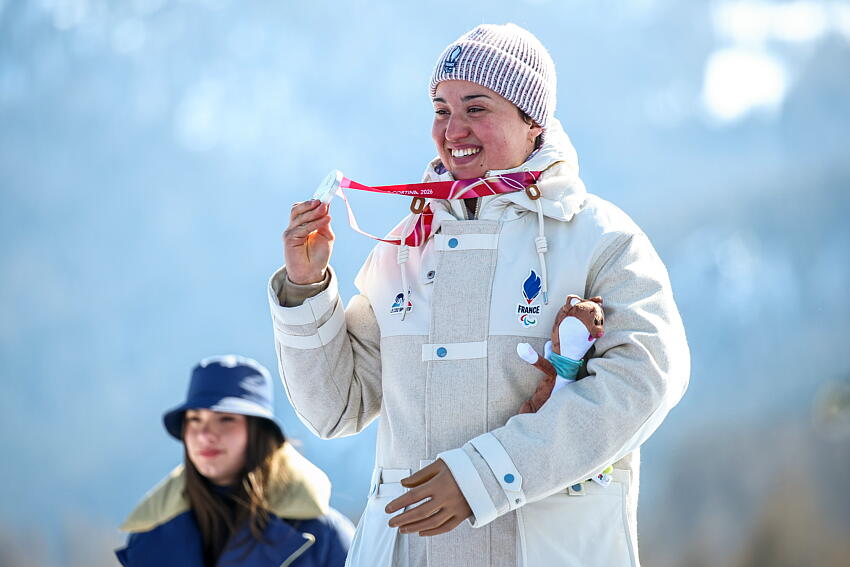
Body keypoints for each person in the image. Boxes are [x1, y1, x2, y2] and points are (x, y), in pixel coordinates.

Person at [268, 23, 690, 567]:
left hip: (548, 550)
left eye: (476, 108)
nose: (453, 128)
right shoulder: (402, 248)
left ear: (532, 120)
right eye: (441, 110)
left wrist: (486, 477)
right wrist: (306, 287)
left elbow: (646, 378)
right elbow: (337, 409)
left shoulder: (600, 239)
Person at [116, 355, 354, 567]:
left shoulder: (324, 535)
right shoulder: (150, 536)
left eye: (226, 419)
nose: (205, 434)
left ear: (258, 433)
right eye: (195, 419)